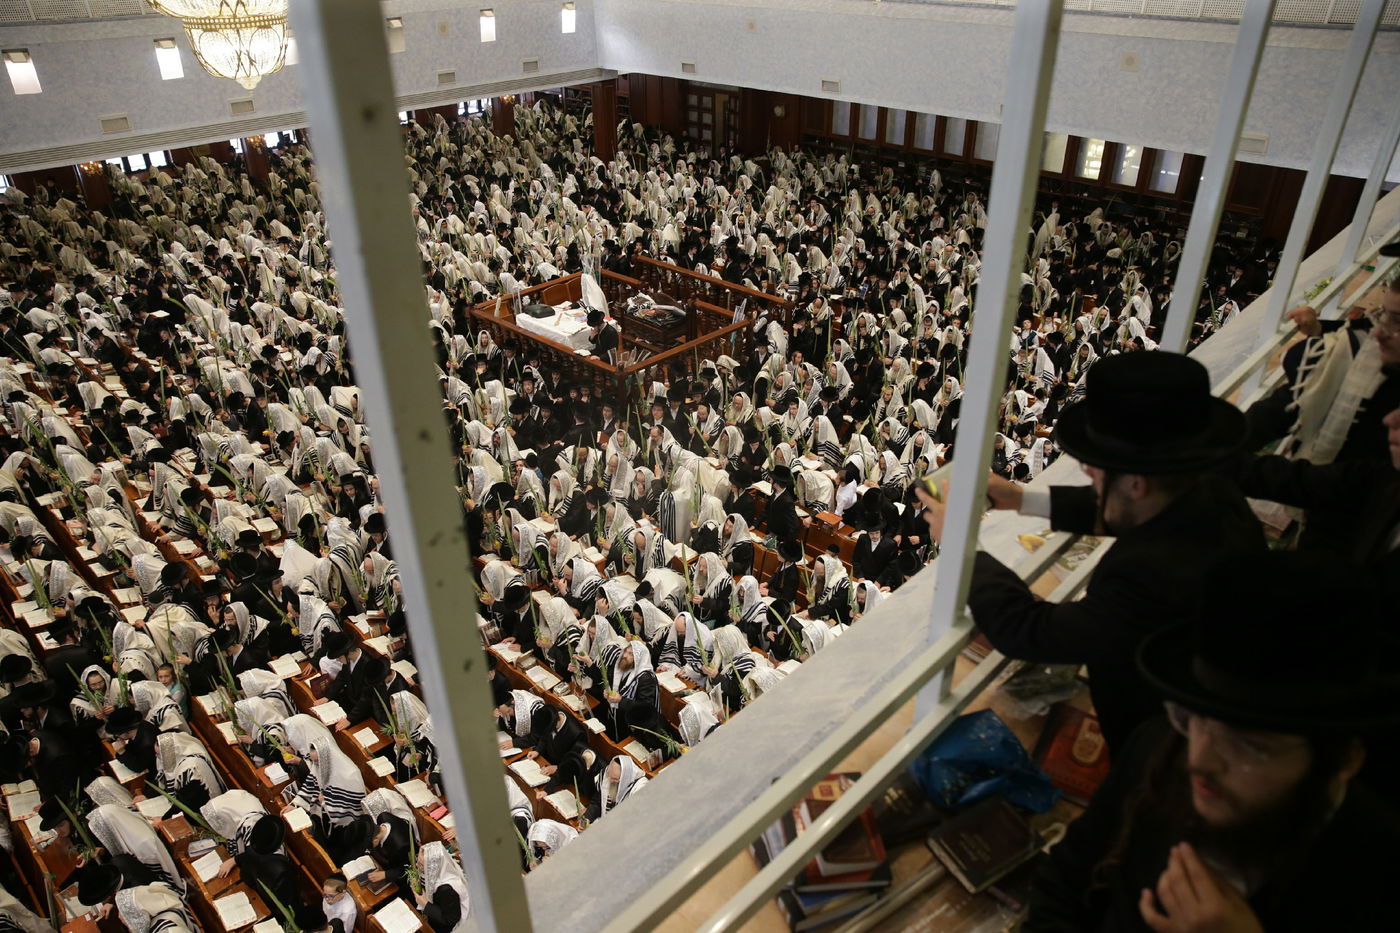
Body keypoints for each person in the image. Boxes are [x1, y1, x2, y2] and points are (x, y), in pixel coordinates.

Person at [1025, 551, 1400, 932]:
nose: (1199, 759)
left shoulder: (1378, 872)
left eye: (1248, 745)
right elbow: (1065, 882)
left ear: (1342, 761)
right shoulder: (1158, 747)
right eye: (1194, 718)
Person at [918, 352, 1266, 753]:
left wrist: (961, 546)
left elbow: (1028, 632)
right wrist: (1019, 498)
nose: (1087, 474)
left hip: (1161, 745)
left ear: (1135, 482)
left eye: (1098, 469)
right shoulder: (1206, 494)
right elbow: (1119, 510)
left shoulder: (1151, 576)